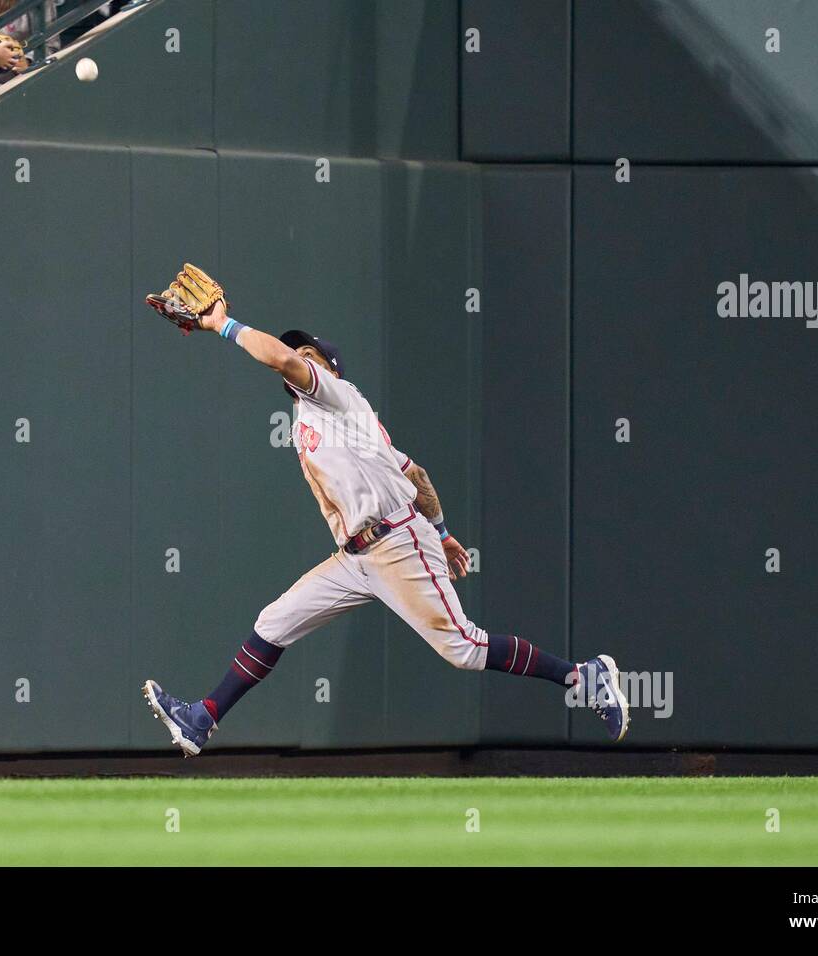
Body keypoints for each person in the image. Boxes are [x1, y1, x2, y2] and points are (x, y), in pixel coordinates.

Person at [140, 274, 631, 757]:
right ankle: (202, 717)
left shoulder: (335, 394)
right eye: (300, 353)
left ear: (328, 368)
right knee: (274, 622)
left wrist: (224, 325)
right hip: (356, 557)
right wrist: (441, 531)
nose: (298, 357)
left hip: (394, 541)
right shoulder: (316, 424)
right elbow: (415, 473)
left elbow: (282, 358)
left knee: (464, 648)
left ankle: (583, 676)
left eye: (309, 353)